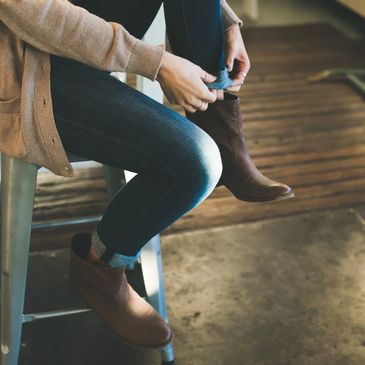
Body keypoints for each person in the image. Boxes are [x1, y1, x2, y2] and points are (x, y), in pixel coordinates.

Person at [0, 0, 293, 351]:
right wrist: (156, 64)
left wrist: (225, 23)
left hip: (81, 49)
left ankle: (221, 123)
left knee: (203, 158)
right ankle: (100, 269)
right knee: (195, 164)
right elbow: (36, 13)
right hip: (28, 72)